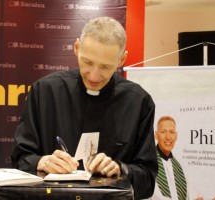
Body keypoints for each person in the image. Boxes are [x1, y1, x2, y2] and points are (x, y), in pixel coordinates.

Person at [11, 16, 157, 199]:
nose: (94, 76)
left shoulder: (139, 103)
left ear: (122, 60)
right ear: (77, 48)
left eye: (105, 67)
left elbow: (148, 180)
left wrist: (121, 168)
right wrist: (42, 162)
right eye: (87, 62)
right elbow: (19, 160)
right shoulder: (44, 92)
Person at [152, 116, 215, 200]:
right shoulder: (148, 164)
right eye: (163, 132)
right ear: (156, 135)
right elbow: (155, 197)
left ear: (176, 136)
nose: (168, 137)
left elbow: (193, 194)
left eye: (172, 132)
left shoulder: (179, 166)